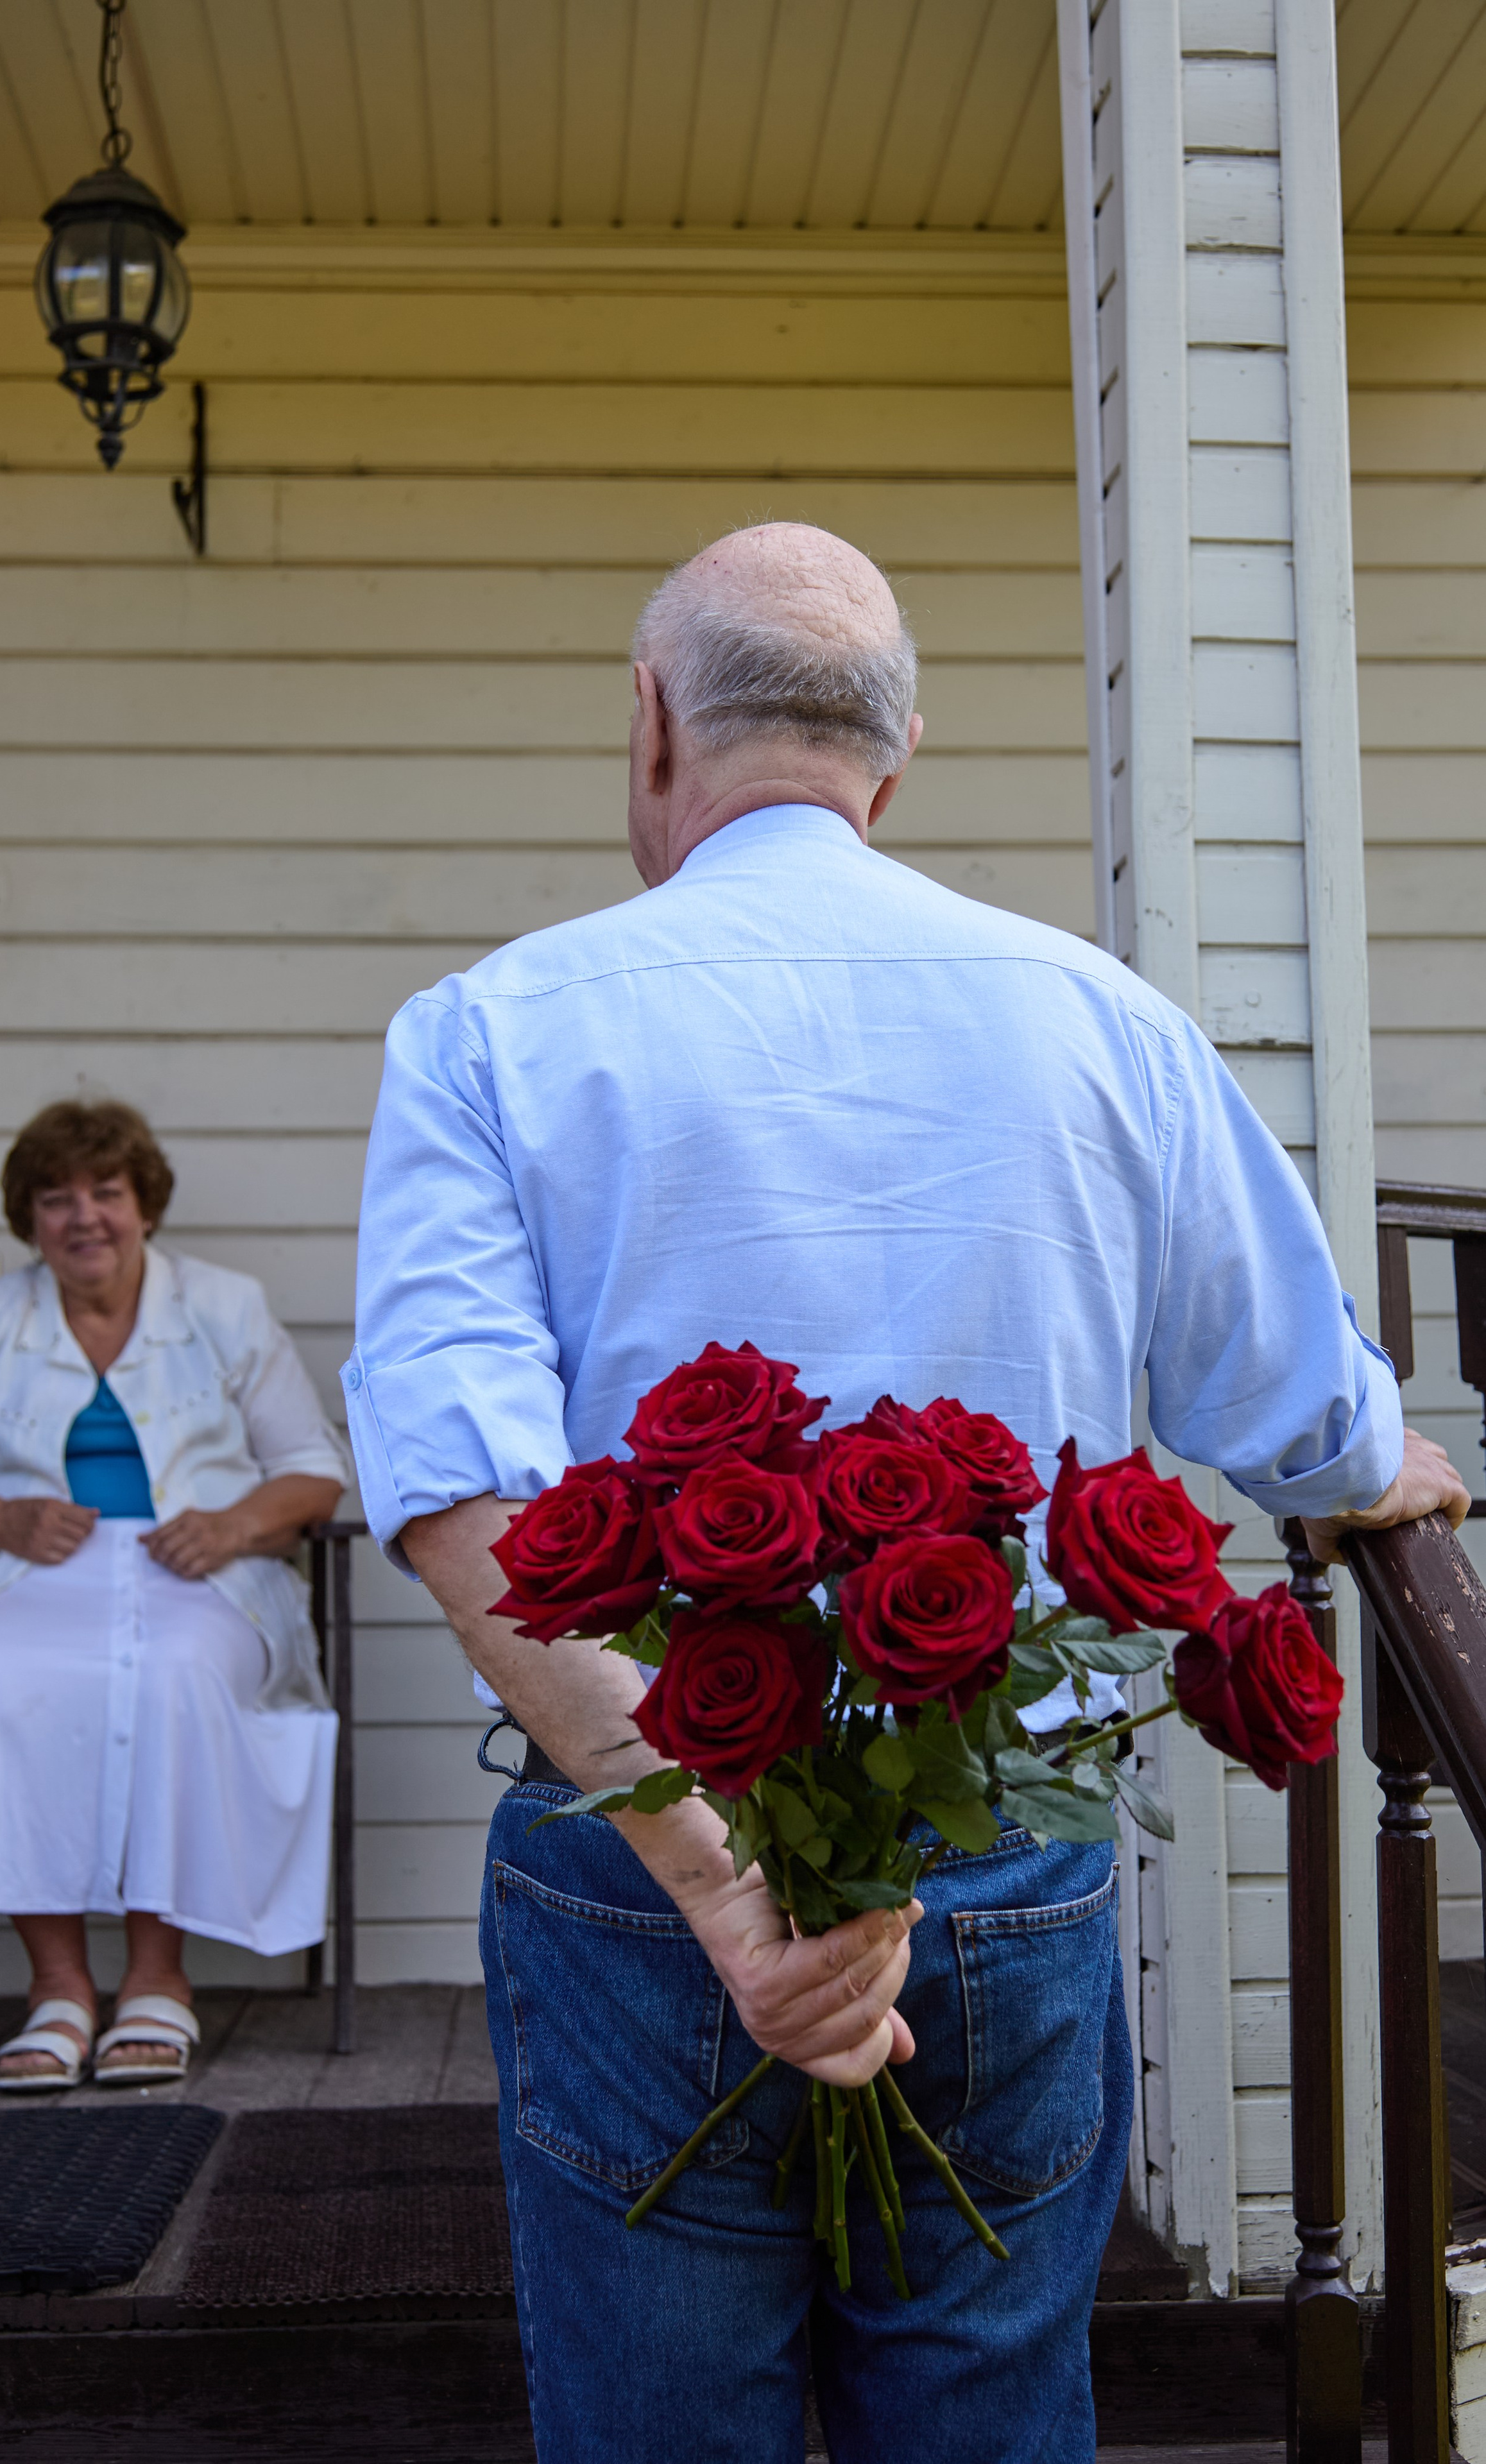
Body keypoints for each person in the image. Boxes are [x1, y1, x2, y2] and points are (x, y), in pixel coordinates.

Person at [343, 524, 1470, 2463]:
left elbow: (465, 1499)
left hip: (634, 1881)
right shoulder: (1104, 1022)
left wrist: (733, 1902)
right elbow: (1296, 1404)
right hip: (1008, 1869)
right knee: (985, 2415)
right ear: (898, 755)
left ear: (651, 729)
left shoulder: (494, 1028)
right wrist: (1386, 1476)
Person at [0, 1100, 349, 2092]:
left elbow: (313, 1469)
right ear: (29, 1220)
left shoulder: (224, 1307)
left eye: (107, 1194)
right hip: (21, 1571)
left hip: (199, 1569)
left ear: (146, 1206)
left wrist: (232, 1525)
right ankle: (60, 1989)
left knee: (173, 1674)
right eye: (57, 1199)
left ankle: (159, 1982)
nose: (85, 1218)